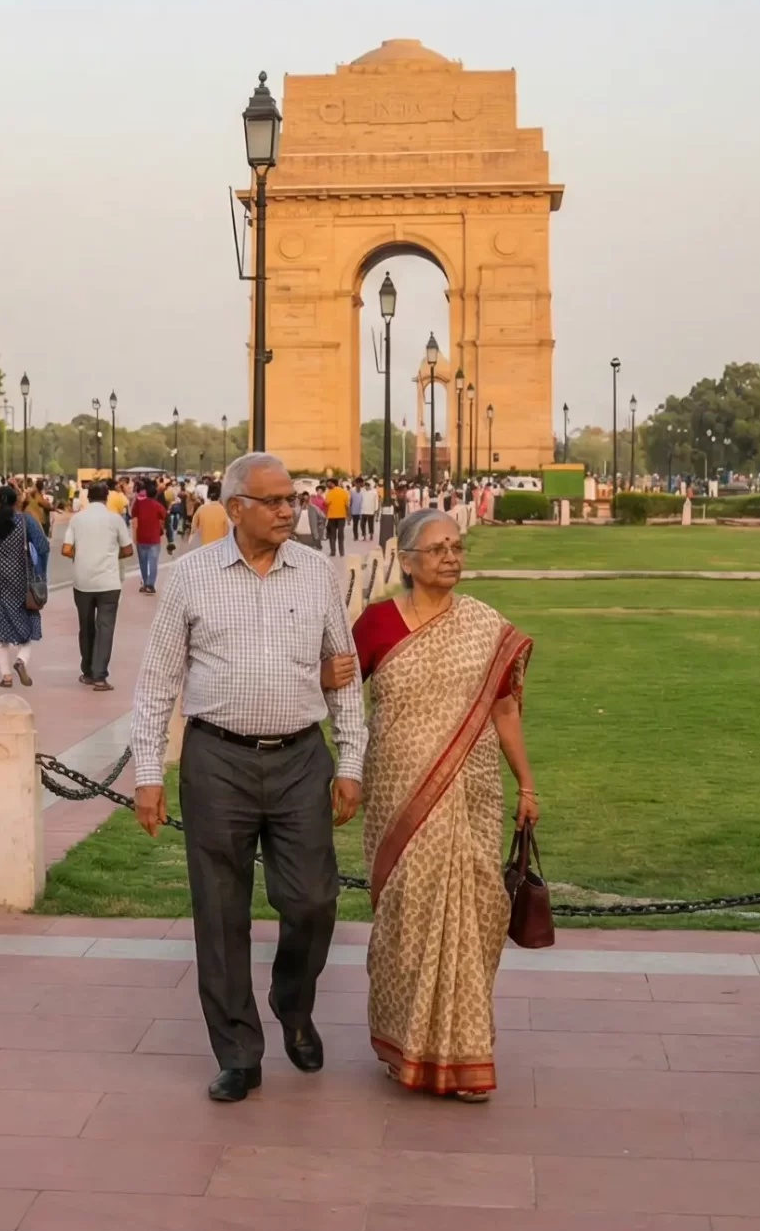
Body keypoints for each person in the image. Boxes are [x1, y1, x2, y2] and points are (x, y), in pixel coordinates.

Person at [129, 452, 366, 1103]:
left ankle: (293, 1001)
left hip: (299, 759)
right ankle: (238, 1050)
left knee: (313, 900)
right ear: (236, 509)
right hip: (217, 761)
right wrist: (148, 772)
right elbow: (156, 683)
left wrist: (350, 761)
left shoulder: (316, 573)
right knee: (220, 908)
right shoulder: (190, 578)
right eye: (276, 500)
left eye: (293, 498)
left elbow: (341, 672)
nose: (291, 509)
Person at [350, 510, 538, 1099]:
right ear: (406, 561)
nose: (451, 557)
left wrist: (527, 785)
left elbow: (505, 710)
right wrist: (343, 772)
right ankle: (404, 1044)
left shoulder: (484, 625)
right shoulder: (376, 625)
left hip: (474, 788)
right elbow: (336, 699)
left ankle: (463, 1054)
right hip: (398, 791)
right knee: (407, 919)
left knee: (475, 912)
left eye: (456, 547)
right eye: (436, 549)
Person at [63, 479, 134, 691]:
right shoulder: (115, 519)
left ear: (88, 497)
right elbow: (128, 550)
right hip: (109, 583)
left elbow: (66, 549)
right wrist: (112, 555)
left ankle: (87, 671)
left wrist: (82, 555)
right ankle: (100, 676)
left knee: (86, 627)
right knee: (105, 628)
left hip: (82, 582)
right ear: (107, 497)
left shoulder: (77, 519)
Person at [0, 483, 45, 687]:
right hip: (20, 580)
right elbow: (42, 547)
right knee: (28, 623)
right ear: (16, 502)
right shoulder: (26, 522)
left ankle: (6, 676)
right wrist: (39, 569)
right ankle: (21, 660)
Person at [130, 481, 167, 594]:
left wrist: (134, 537)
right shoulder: (158, 505)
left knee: (143, 562)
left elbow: (133, 518)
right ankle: (150, 585)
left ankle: (145, 583)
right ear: (155, 494)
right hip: (154, 538)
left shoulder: (138, 504)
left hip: (141, 537)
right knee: (153, 562)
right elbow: (164, 517)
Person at [191, 480, 229, 547]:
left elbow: (193, 530)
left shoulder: (201, 509)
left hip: (204, 549)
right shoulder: (226, 512)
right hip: (220, 549)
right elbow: (228, 533)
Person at [323, 478, 350, 555]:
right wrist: (348, 516)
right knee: (341, 535)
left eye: (329, 483)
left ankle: (333, 552)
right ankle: (342, 552)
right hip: (342, 517)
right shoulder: (344, 492)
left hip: (332, 517)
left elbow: (326, 502)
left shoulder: (329, 492)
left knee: (332, 535)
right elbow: (347, 505)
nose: (327, 485)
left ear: (333, 484)